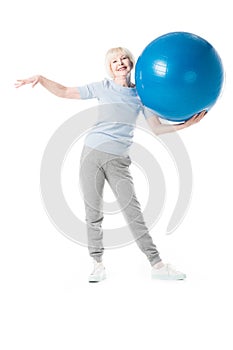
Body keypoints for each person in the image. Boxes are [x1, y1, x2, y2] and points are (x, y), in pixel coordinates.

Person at [15, 47, 206, 283]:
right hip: (91, 154)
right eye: (114, 60)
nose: (120, 62)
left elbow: (156, 127)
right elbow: (64, 91)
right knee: (92, 213)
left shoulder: (141, 95)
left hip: (118, 161)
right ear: (110, 67)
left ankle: (156, 264)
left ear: (132, 63)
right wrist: (41, 79)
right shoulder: (102, 88)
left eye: (124, 58)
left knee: (133, 213)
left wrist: (185, 126)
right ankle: (97, 264)